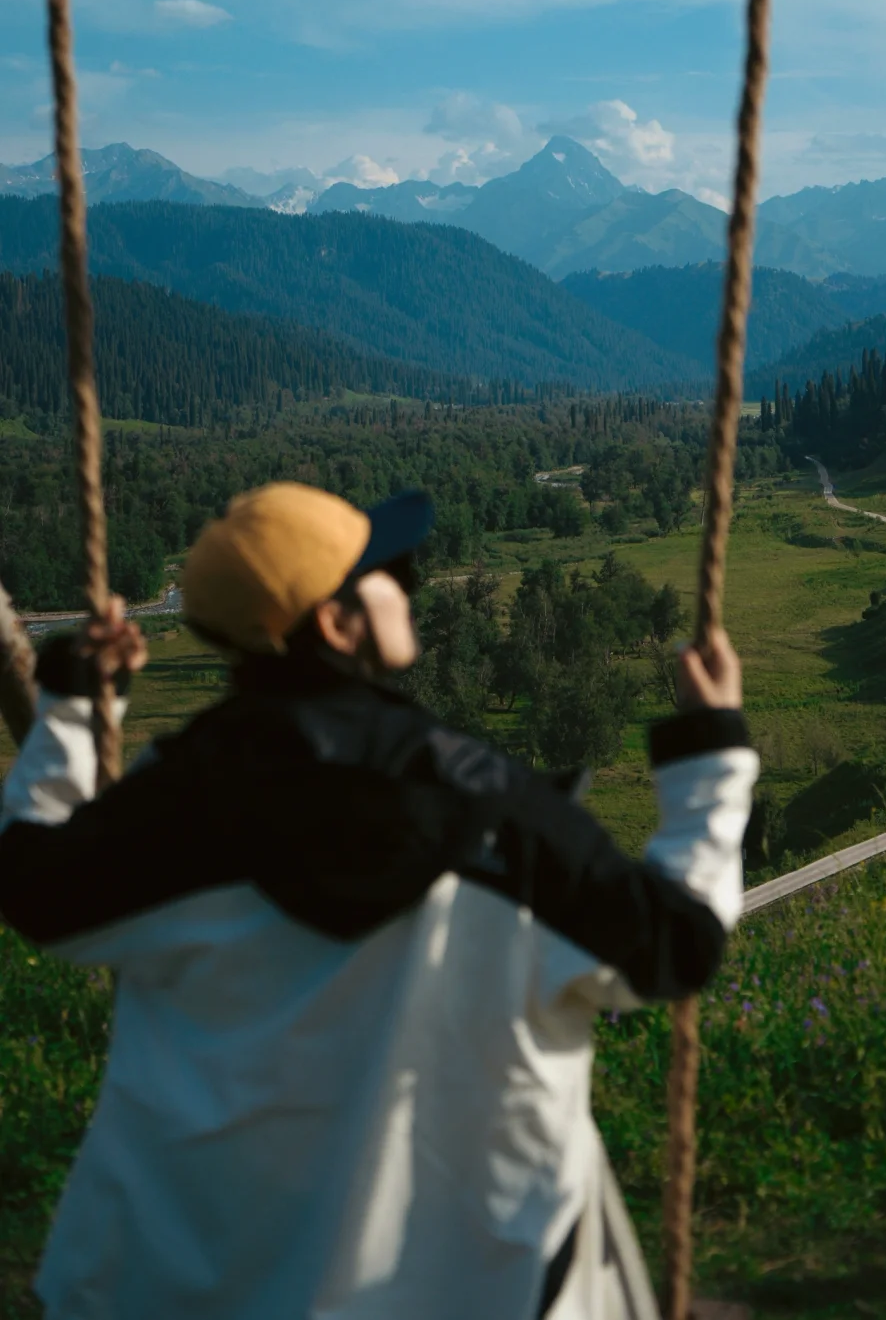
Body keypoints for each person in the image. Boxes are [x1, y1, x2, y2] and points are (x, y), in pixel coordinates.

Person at [0, 482, 758, 1320]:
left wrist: (74, 701)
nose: (413, 581)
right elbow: (676, 942)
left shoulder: (164, 808)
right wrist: (711, 752)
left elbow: (34, 878)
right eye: (390, 571)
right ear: (334, 623)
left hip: (194, 1289)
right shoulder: (498, 813)